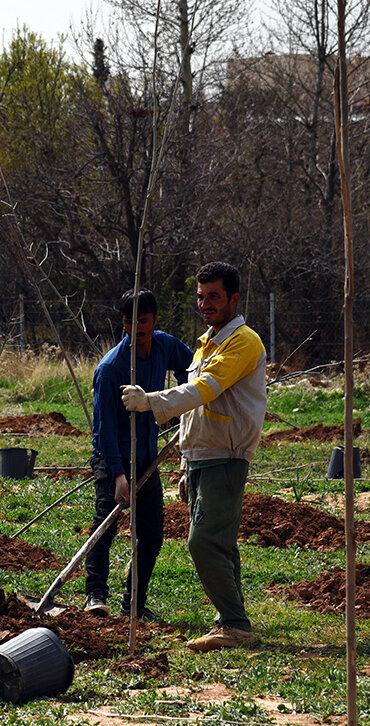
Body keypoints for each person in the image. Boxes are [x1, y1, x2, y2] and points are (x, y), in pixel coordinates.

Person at [121, 262, 267, 651]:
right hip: (204, 453)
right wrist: (187, 460)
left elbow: (202, 390)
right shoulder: (208, 341)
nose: (205, 304)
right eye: (201, 297)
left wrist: (151, 401)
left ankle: (235, 625)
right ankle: (230, 619)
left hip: (226, 454)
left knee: (203, 541)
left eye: (214, 297)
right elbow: (197, 409)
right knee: (221, 541)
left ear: (234, 299)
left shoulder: (243, 341)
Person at [84, 290, 192, 620]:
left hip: (147, 455)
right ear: (123, 323)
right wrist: (117, 474)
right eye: (131, 321)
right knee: (106, 525)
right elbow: (103, 430)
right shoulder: (111, 369)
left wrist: (184, 406)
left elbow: (193, 370)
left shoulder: (164, 345)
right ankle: (95, 596)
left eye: (143, 321)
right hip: (113, 457)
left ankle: (134, 604)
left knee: (152, 534)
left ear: (155, 320)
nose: (138, 328)